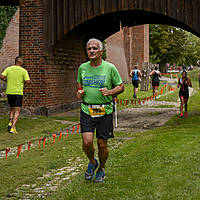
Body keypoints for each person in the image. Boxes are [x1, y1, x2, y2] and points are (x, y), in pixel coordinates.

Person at [77, 38, 124, 183]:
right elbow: (79, 86)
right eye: (89, 49)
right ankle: (92, 162)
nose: (91, 51)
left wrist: (110, 92)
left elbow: (121, 87)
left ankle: (101, 169)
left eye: (94, 48)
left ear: (101, 51)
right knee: (87, 142)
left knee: (102, 144)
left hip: (105, 110)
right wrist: (79, 93)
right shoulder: (82, 68)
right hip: (87, 109)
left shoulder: (110, 68)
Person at [0, 56, 30, 133]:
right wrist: (22, 83)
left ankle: (10, 122)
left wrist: (7, 81)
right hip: (18, 92)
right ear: (20, 62)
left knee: (12, 108)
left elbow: (2, 76)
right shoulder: (23, 71)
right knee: (17, 110)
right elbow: (28, 81)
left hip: (9, 92)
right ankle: (13, 127)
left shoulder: (8, 69)